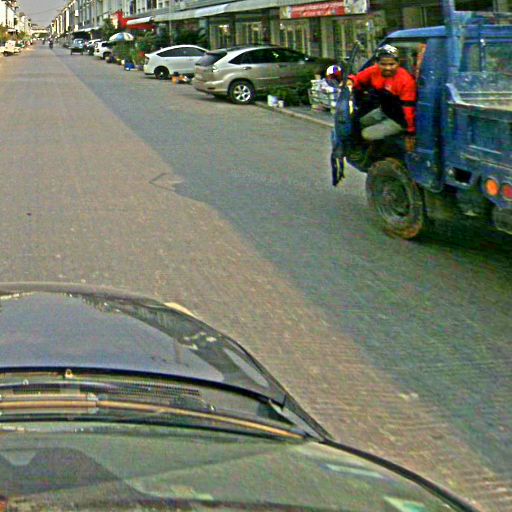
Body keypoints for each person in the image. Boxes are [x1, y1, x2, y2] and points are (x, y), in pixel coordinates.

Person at [348, 44, 417, 152]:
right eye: (383, 64)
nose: (388, 68)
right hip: (384, 111)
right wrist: (350, 81)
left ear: (398, 63)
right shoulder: (374, 71)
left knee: (366, 134)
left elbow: (408, 109)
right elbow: (358, 79)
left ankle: (378, 152)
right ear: (377, 63)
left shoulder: (406, 81)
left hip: (398, 120)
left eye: (391, 64)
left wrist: (410, 133)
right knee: (359, 122)